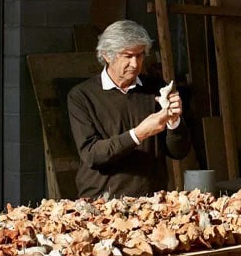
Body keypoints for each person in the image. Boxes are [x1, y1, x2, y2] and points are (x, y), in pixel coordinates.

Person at [67, 20, 190, 199]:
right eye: (127, 56)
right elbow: (92, 154)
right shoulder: (82, 96)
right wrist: (139, 133)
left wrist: (174, 121)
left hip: (152, 201)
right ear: (107, 55)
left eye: (140, 55)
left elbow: (179, 152)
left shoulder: (156, 89)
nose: (135, 64)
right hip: (101, 202)